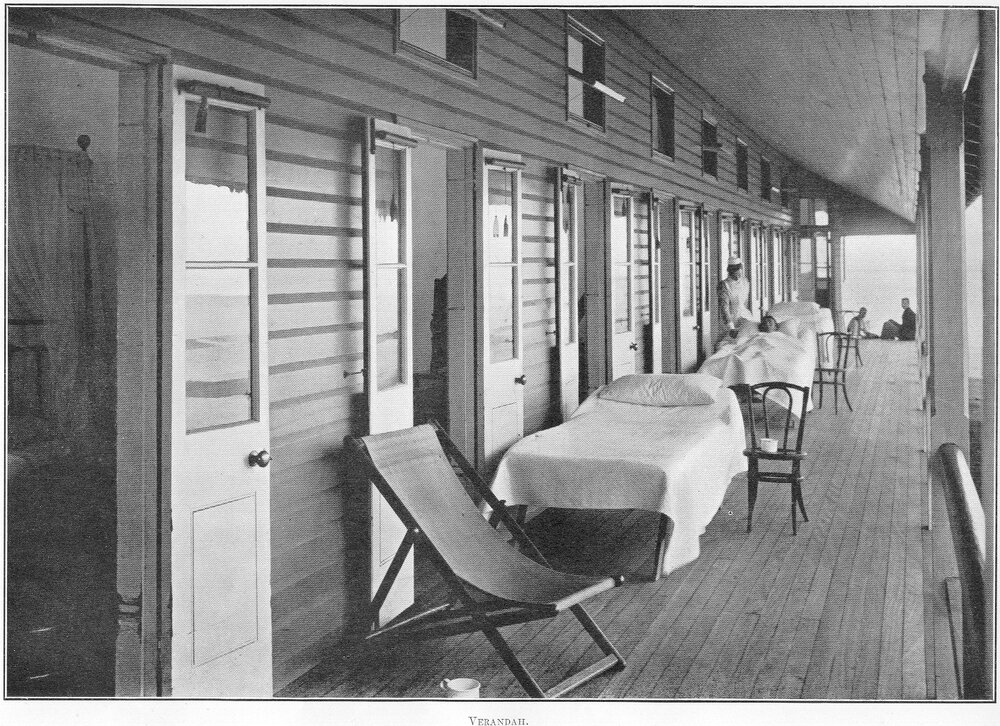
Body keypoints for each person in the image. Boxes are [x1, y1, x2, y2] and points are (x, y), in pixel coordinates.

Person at [718, 256, 753, 340]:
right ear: (729, 271)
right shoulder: (724, 285)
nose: (738, 273)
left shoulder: (745, 282)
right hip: (730, 321)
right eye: (734, 270)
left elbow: (745, 303)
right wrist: (731, 327)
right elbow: (724, 308)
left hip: (746, 318)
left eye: (739, 269)